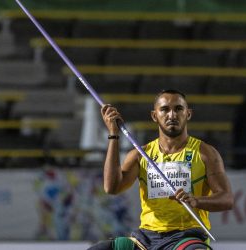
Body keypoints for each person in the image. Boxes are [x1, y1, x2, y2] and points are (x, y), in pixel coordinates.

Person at [88, 89, 233, 250]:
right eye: (164, 109)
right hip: (145, 240)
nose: (172, 115)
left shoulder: (205, 153)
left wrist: (196, 200)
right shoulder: (140, 154)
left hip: (185, 237)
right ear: (154, 116)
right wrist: (113, 135)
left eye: (178, 109)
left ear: (188, 114)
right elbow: (112, 187)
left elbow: (226, 199)